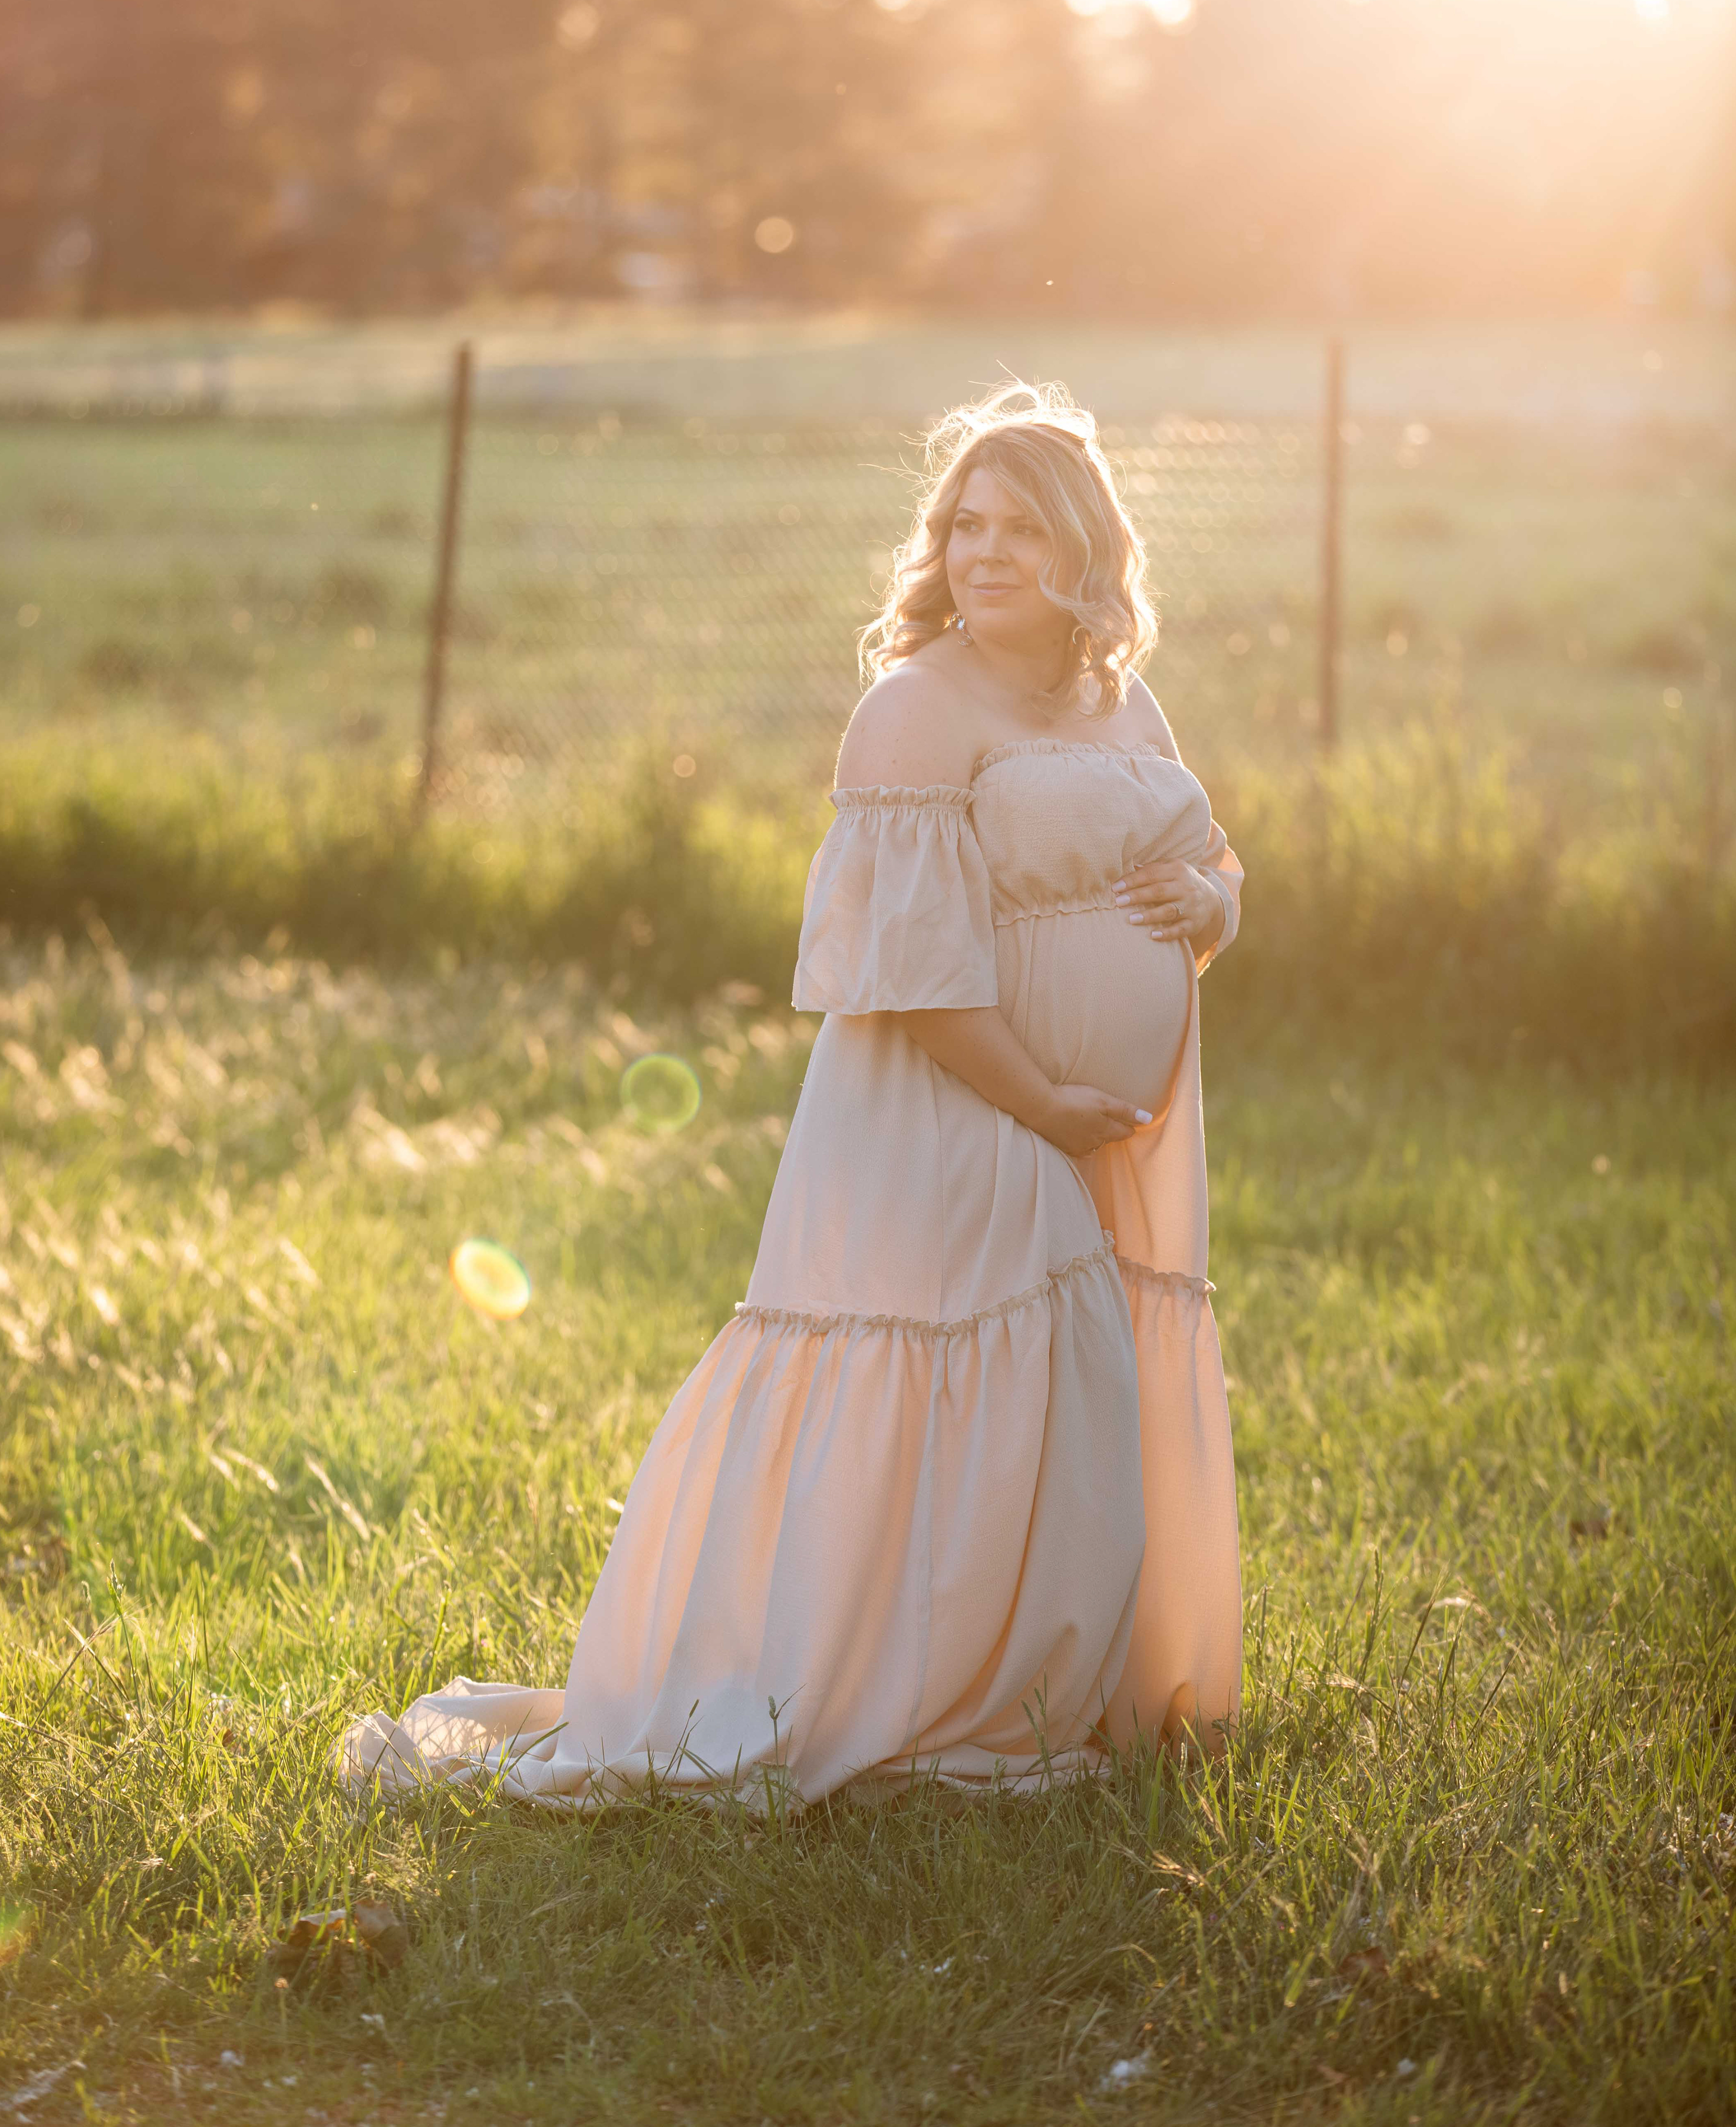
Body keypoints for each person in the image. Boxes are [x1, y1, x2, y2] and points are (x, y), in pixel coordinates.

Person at [342, 383, 1243, 1807]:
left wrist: (1204, 903)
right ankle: (881, 1686)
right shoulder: (914, 710)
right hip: (951, 1109)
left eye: (1020, 528)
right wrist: (1046, 1104)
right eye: (964, 526)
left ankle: (1026, 1692)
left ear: (1090, 550)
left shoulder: (1122, 699)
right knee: (943, 1379)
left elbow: (1211, 865)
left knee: (1058, 1380)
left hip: (1084, 1126)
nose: (984, 554)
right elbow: (915, 975)